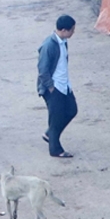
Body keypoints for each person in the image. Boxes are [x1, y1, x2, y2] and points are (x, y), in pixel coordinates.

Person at [37, 14, 78, 158]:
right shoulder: (49, 45)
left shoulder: (63, 42)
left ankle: (50, 134)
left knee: (72, 110)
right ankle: (55, 149)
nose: (74, 32)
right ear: (65, 30)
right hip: (54, 87)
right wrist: (51, 87)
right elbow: (42, 70)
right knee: (56, 118)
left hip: (64, 85)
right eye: (72, 30)